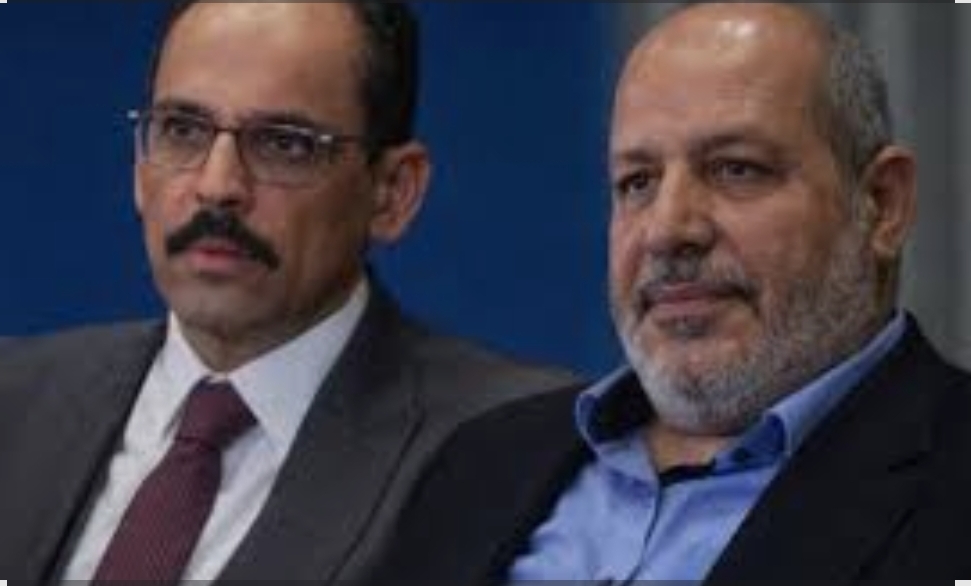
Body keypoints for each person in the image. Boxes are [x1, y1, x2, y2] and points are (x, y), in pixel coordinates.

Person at [370, 2, 971, 581]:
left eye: (736, 168)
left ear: (882, 205)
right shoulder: (479, 462)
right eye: (637, 182)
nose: (667, 229)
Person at [0, 2, 578, 583]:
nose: (217, 186)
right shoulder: (17, 398)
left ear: (392, 191)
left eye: (284, 143)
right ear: (138, 164)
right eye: (182, 131)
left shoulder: (508, 452)